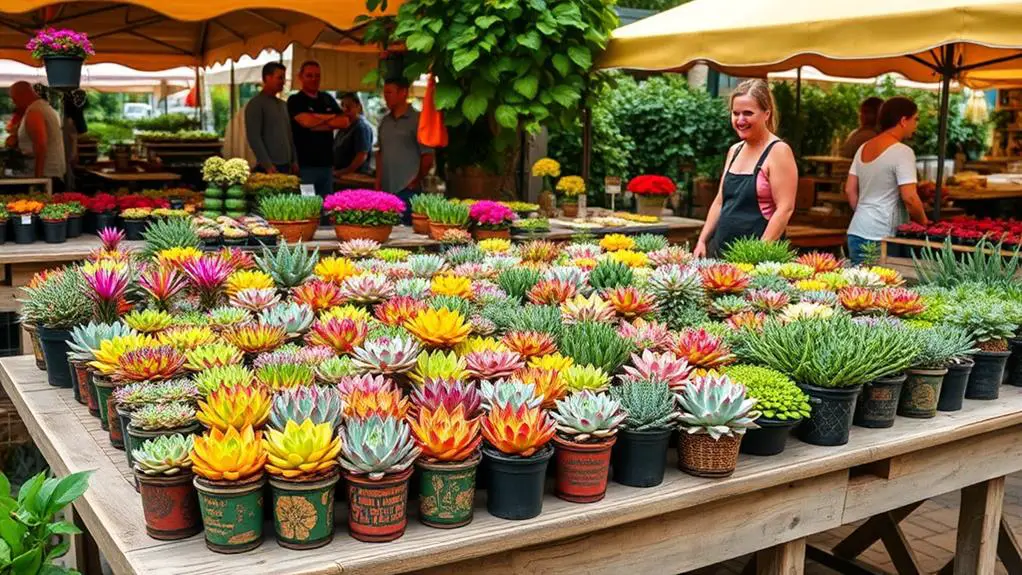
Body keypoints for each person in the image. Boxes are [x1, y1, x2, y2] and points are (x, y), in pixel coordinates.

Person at [693, 79, 798, 258]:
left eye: (748, 113)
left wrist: (758, 253)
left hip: (757, 258)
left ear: (766, 114)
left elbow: (785, 209)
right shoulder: (735, 150)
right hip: (720, 251)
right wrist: (702, 240)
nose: (740, 120)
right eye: (736, 113)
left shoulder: (778, 151)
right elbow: (720, 201)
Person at [845, 97, 929, 265]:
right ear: (903, 120)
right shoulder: (903, 152)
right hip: (882, 236)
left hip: (857, 230)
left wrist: (864, 213)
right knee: (884, 289)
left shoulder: (864, 147)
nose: (916, 125)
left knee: (857, 288)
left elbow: (849, 189)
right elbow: (910, 198)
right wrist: (925, 223)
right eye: (915, 119)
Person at [376, 78, 434, 224]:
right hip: (386, 191)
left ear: (403, 93)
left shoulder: (418, 120)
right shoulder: (384, 122)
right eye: (384, 93)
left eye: (389, 92)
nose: (386, 96)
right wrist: (377, 183)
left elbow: (427, 155)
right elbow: (380, 153)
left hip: (408, 190)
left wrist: (416, 180)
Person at [287, 61, 349, 196]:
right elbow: (306, 122)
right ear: (300, 77)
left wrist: (316, 120)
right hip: (305, 166)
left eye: (317, 76)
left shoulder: (327, 98)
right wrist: (330, 118)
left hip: (326, 165)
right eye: (309, 76)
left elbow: (344, 122)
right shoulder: (295, 100)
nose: (314, 79)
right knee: (308, 204)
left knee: (326, 206)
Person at [9, 81, 65, 190]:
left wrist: (37, 180)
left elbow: (40, 145)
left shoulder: (34, 111)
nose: (14, 103)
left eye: (15, 99)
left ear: (24, 95)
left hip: (45, 176)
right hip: (49, 174)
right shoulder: (43, 107)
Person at [245, 62, 297, 174]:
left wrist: (294, 160)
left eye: (284, 78)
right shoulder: (256, 104)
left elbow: (290, 135)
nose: (283, 82)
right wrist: (267, 164)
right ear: (267, 78)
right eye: (280, 78)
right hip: (270, 167)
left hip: (287, 165)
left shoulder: (283, 105)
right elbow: (254, 137)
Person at [334, 93, 374, 177]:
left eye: (348, 106)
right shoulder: (344, 126)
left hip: (355, 175)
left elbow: (361, 156)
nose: (344, 109)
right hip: (340, 173)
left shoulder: (361, 127)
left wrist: (343, 172)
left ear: (358, 107)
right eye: (342, 105)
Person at [62, 91, 87, 191]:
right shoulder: (74, 117)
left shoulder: (67, 120)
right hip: (67, 155)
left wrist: (73, 153)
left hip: (66, 155)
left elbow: (73, 137)